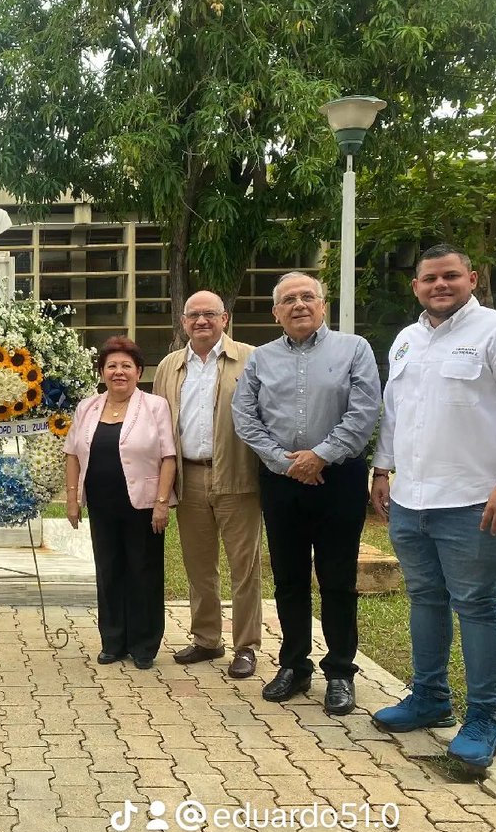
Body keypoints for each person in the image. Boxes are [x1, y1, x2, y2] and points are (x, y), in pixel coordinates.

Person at [370, 245, 496, 770]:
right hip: (411, 499)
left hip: (477, 500)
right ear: (416, 285)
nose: (440, 285)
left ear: (472, 278)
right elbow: (394, 412)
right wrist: (381, 470)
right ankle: (429, 698)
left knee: (476, 606)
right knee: (425, 599)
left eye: (451, 276)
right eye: (430, 278)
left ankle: (484, 721)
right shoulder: (406, 340)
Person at [231, 272, 380, 715]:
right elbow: (245, 416)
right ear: (276, 311)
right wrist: (285, 462)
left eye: (307, 297)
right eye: (288, 300)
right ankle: (294, 666)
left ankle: (339, 672)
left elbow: (364, 410)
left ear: (322, 304)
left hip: (339, 479)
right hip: (281, 481)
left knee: (337, 580)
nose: (298, 305)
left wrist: (320, 456)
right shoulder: (261, 359)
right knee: (289, 579)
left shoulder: (355, 349)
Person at [153, 291, 262, 679]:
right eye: (194, 315)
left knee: (243, 567)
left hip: (237, 475)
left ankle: (246, 646)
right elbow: (159, 425)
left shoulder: (250, 358)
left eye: (210, 314)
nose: (202, 321)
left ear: (225, 319)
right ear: (183, 322)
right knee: (199, 565)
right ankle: (207, 639)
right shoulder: (170, 365)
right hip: (190, 474)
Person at [64, 336, 177, 670]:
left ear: (138, 371)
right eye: (111, 365)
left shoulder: (154, 406)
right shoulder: (87, 407)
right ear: (102, 372)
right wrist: (73, 499)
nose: (119, 371)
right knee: (109, 571)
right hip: (102, 503)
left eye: (126, 365)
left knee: (143, 573)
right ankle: (113, 641)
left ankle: (144, 644)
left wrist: (161, 503)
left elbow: (168, 456)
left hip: (143, 505)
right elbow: (72, 453)